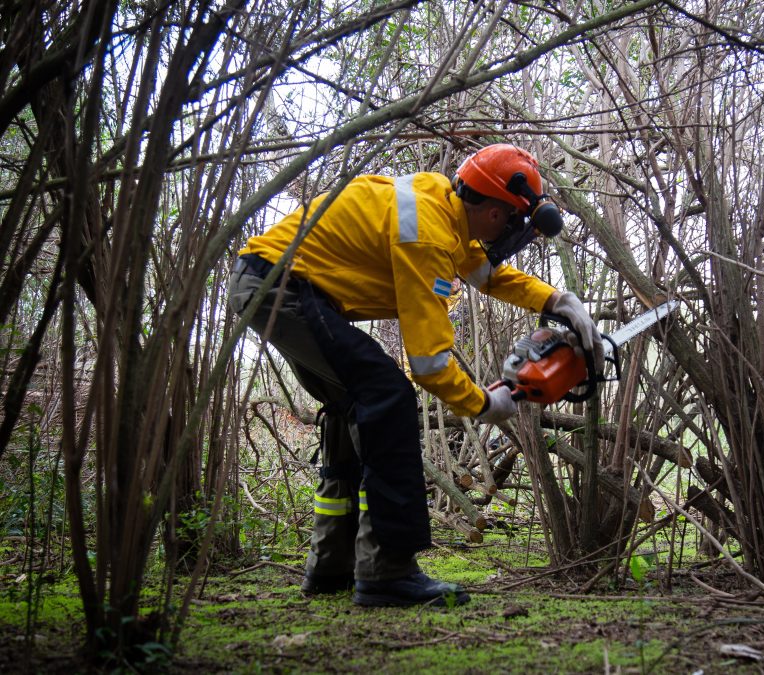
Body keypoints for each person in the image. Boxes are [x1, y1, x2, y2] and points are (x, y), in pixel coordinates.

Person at [227, 144, 603, 607]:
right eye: (510, 222)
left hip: (271, 284)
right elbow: (428, 363)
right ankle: (388, 570)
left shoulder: (441, 207)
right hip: (280, 288)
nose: (508, 233)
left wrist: (557, 300)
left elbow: (488, 276)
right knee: (388, 395)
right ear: (492, 212)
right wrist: (486, 404)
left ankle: (332, 566)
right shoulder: (426, 233)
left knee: (356, 402)